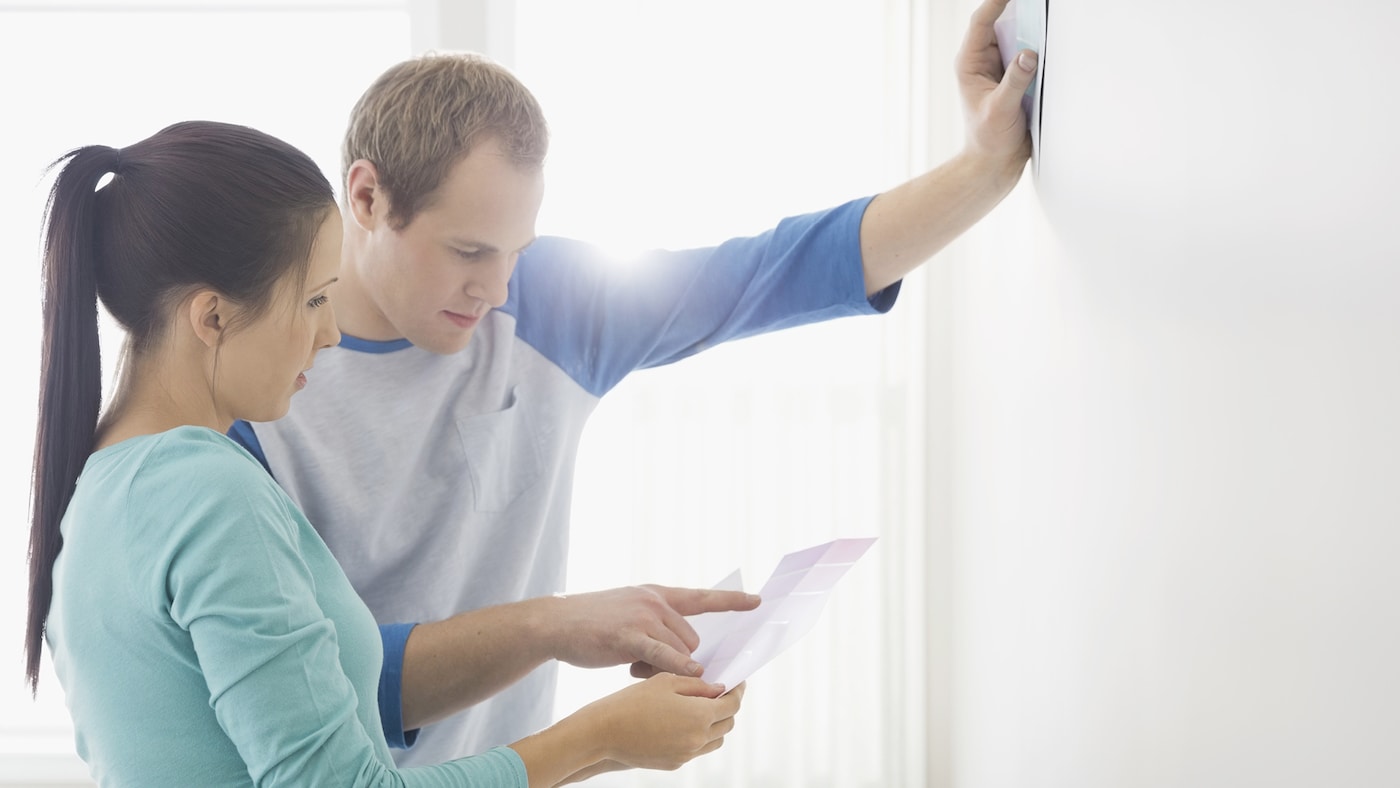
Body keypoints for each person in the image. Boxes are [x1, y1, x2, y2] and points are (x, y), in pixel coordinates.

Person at [232, 0, 1036, 766]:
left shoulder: (547, 302)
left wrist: (984, 165)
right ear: (367, 197)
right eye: (470, 253)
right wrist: (562, 631)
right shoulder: (255, 390)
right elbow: (317, 682)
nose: (499, 290)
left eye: (516, 251)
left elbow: (777, 270)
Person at [25, 119, 744, 787]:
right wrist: (601, 738)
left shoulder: (101, 490)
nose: (330, 334)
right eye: (313, 301)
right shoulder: (212, 494)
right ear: (212, 317)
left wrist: (556, 630)